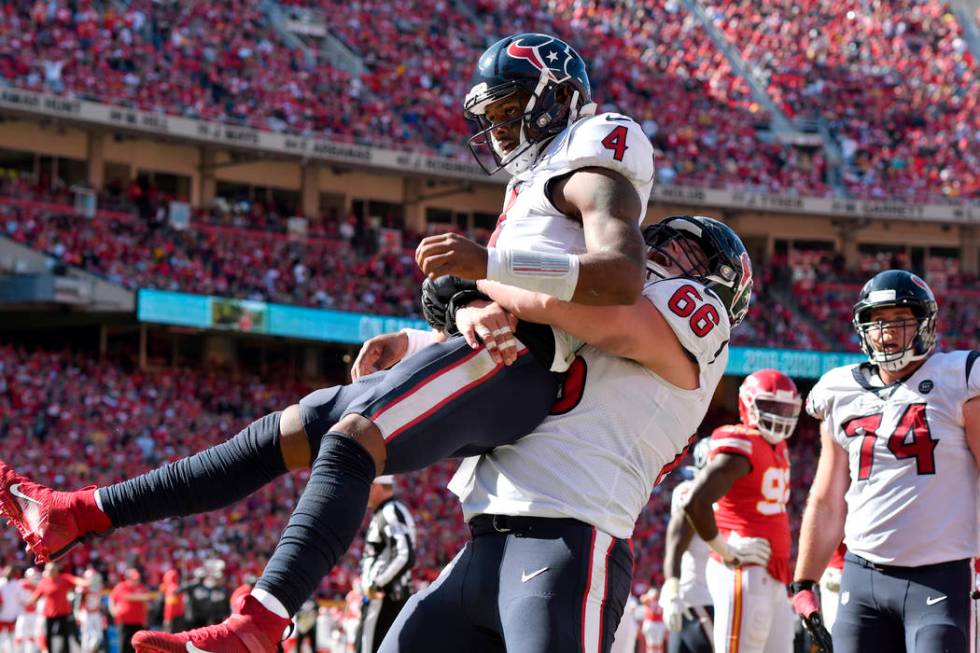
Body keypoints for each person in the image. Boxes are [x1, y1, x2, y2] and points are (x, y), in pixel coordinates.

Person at [0, 30, 655, 653]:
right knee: (294, 423)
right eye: (492, 116)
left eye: (511, 111)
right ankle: (81, 511)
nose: (499, 131)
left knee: (352, 437)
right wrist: (456, 311)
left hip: (524, 364)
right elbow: (481, 288)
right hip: (493, 351)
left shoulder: (598, 141)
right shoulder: (532, 182)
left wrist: (487, 269)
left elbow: (620, 274)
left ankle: (260, 622)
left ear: (559, 99)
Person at [374, 214, 752, 651]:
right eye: (661, 245)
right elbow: (528, 346)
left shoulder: (697, 314)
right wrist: (421, 338)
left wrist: (484, 270)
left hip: (568, 542)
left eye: (689, 255)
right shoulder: (597, 317)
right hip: (483, 541)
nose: (663, 255)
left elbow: (592, 318)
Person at [791, 269, 980, 653]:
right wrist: (803, 582)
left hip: (941, 576)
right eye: (877, 322)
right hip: (862, 580)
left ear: (924, 324)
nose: (887, 332)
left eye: (900, 320)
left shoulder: (957, 378)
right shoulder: (837, 391)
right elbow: (827, 499)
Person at [680, 369, 802, 653]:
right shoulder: (740, 443)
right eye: (771, 406)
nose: (779, 415)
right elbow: (695, 502)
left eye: (785, 408)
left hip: (772, 572)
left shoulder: (778, 447)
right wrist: (726, 550)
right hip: (743, 569)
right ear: (749, 404)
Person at [659, 439, 714, 653]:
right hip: (700, 599)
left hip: (696, 599)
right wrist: (672, 586)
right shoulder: (689, 491)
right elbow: (677, 540)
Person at [355, 476, 417, 653]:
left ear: (375, 487)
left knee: (368, 648)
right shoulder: (389, 511)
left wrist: (376, 584)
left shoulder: (390, 512)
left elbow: (405, 555)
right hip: (386, 597)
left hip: (384, 599)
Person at [28, 562, 84, 653]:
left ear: (57, 570)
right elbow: (35, 597)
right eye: (49, 570)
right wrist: (25, 603)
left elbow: (76, 580)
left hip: (64, 613)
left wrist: (86, 582)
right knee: (48, 636)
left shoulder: (64, 578)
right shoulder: (44, 583)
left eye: (53, 569)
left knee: (66, 636)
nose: (51, 571)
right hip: (49, 614)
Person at [109, 569, 151, 653]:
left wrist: (146, 619)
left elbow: (146, 601)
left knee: (138, 645)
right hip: (125, 621)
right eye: (133, 579)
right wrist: (113, 610)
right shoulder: (121, 587)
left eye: (137, 579)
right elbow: (113, 599)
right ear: (127, 578)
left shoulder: (141, 587)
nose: (136, 581)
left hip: (138, 621)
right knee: (124, 645)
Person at [0, 566, 29, 653]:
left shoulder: (17, 584)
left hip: (12, 616)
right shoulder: (2, 583)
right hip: (4, 616)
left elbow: (24, 599)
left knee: (12, 637)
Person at [77, 569, 106, 653]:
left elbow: (100, 602)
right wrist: (78, 614)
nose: (94, 579)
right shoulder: (82, 588)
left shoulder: (99, 587)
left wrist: (102, 614)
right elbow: (78, 602)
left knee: (99, 636)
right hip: (86, 613)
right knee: (86, 637)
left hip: (96, 613)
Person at [13, 568, 40, 653]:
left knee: (31, 635)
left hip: (34, 614)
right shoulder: (21, 584)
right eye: (33, 576)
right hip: (23, 613)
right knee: (19, 635)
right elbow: (17, 598)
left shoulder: (38, 585)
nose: (34, 578)